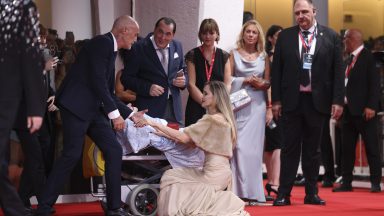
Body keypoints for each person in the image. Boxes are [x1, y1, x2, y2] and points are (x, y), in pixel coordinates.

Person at [35, 15, 143, 216]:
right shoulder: (101, 44)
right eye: (135, 35)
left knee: (113, 151)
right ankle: (43, 207)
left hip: (94, 110)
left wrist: (130, 115)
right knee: (71, 155)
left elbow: (107, 92)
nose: (136, 40)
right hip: (76, 107)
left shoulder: (111, 50)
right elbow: (97, 82)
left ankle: (113, 208)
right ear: (124, 31)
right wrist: (115, 116)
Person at [271, 0, 344, 206]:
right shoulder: (285, 36)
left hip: (318, 102)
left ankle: (311, 193)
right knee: (289, 149)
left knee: (313, 151)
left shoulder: (331, 36)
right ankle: (284, 194)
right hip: (291, 102)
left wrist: (338, 100)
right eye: (297, 13)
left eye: (304, 11)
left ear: (314, 11)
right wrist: (275, 100)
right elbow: (277, 72)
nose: (301, 16)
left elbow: (338, 72)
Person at [139, 81, 249, 216]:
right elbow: (192, 142)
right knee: (175, 175)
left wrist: (152, 122)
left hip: (211, 176)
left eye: (206, 93)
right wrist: (163, 133)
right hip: (223, 175)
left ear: (216, 97)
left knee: (171, 175)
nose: (202, 96)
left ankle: (175, 212)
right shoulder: (225, 119)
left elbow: (184, 138)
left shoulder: (212, 120)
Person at [0, 1, 46, 215]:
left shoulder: (22, 7)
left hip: (6, 95)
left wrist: (36, 109)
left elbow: (30, 56)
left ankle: (15, 208)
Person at [332, 29, 382, 193]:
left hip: (365, 112)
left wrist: (372, 106)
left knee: (372, 148)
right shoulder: (348, 60)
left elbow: (375, 84)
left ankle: (375, 182)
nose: (343, 43)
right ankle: (347, 182)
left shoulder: (369, 58)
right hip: (348, 112)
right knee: (347, 150)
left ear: (351, 39)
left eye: (344, 39)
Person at [229, 20, 270, 205]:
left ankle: (254, 193)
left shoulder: (264, 56)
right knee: (238, 147)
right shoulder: (233, 54)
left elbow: (268, 82)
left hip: (258, 106)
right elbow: (227, 80)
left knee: (253, 152)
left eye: (254, 32)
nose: (251, 35)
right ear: (243, 34)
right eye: (248, 31)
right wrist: (245, 80)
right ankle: (238, 192)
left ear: (258, 35)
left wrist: (261, 84)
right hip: (239, 104)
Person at [121, 17, 186, 126]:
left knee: (176, 141)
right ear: (154, 30)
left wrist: (184, 80)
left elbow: (183, 69)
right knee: (151, 142)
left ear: (173, 35)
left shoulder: (177, 45)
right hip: (150, 109)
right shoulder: (138, 48)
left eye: (168, 34)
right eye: (160, 32)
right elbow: (126, 78)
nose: (163, 37)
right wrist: (148, 88)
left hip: (174, 109)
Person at [185, 18, 232, 126]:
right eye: (204, 33)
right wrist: (206, 102)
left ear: (217, 35)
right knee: (193, 141)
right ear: (200, 35)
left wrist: (216, 103)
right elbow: (191, 85)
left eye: (211, 33)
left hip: (218, 108)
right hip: (197, 105)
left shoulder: (224, 56)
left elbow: (227, 84)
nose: (207, 36)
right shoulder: (192, 54)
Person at [264, 24, 283, 199]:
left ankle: (272, 181)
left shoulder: (285, 56)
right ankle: (275, 182)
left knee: (273, 146)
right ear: (270, 38)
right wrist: (269, 107)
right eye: (278, 35)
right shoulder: (268, 58)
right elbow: (268, 85)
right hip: (271, 106)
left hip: (282, 105)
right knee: (275, 145)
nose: (281, 36)